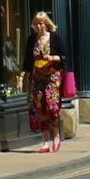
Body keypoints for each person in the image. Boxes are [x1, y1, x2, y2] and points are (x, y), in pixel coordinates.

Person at [27, 13, 64, 153]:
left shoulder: (55, 38)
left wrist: (52, 57)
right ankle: (45, 142)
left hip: (52, 76)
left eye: (41, 23)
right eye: (36, 23)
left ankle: (56, 136)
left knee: (52, 107)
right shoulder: (32, 40)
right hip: (37, 77)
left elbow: (64, 56)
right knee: (40, 108)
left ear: (46, 24)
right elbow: (27, 60)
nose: (39, 26)